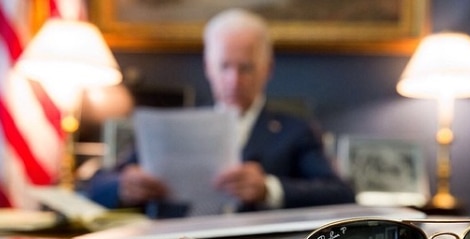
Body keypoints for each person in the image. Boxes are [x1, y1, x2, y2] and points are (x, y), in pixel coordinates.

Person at [85, 8, 355, 218]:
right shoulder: (175, 128)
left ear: (267, 69)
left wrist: (268, 189)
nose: (234, 81)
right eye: (224, 67)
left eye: (245, 68)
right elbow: (93, 188)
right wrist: (124, 185)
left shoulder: (294, 131)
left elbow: (341, 194)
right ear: (208, 67)